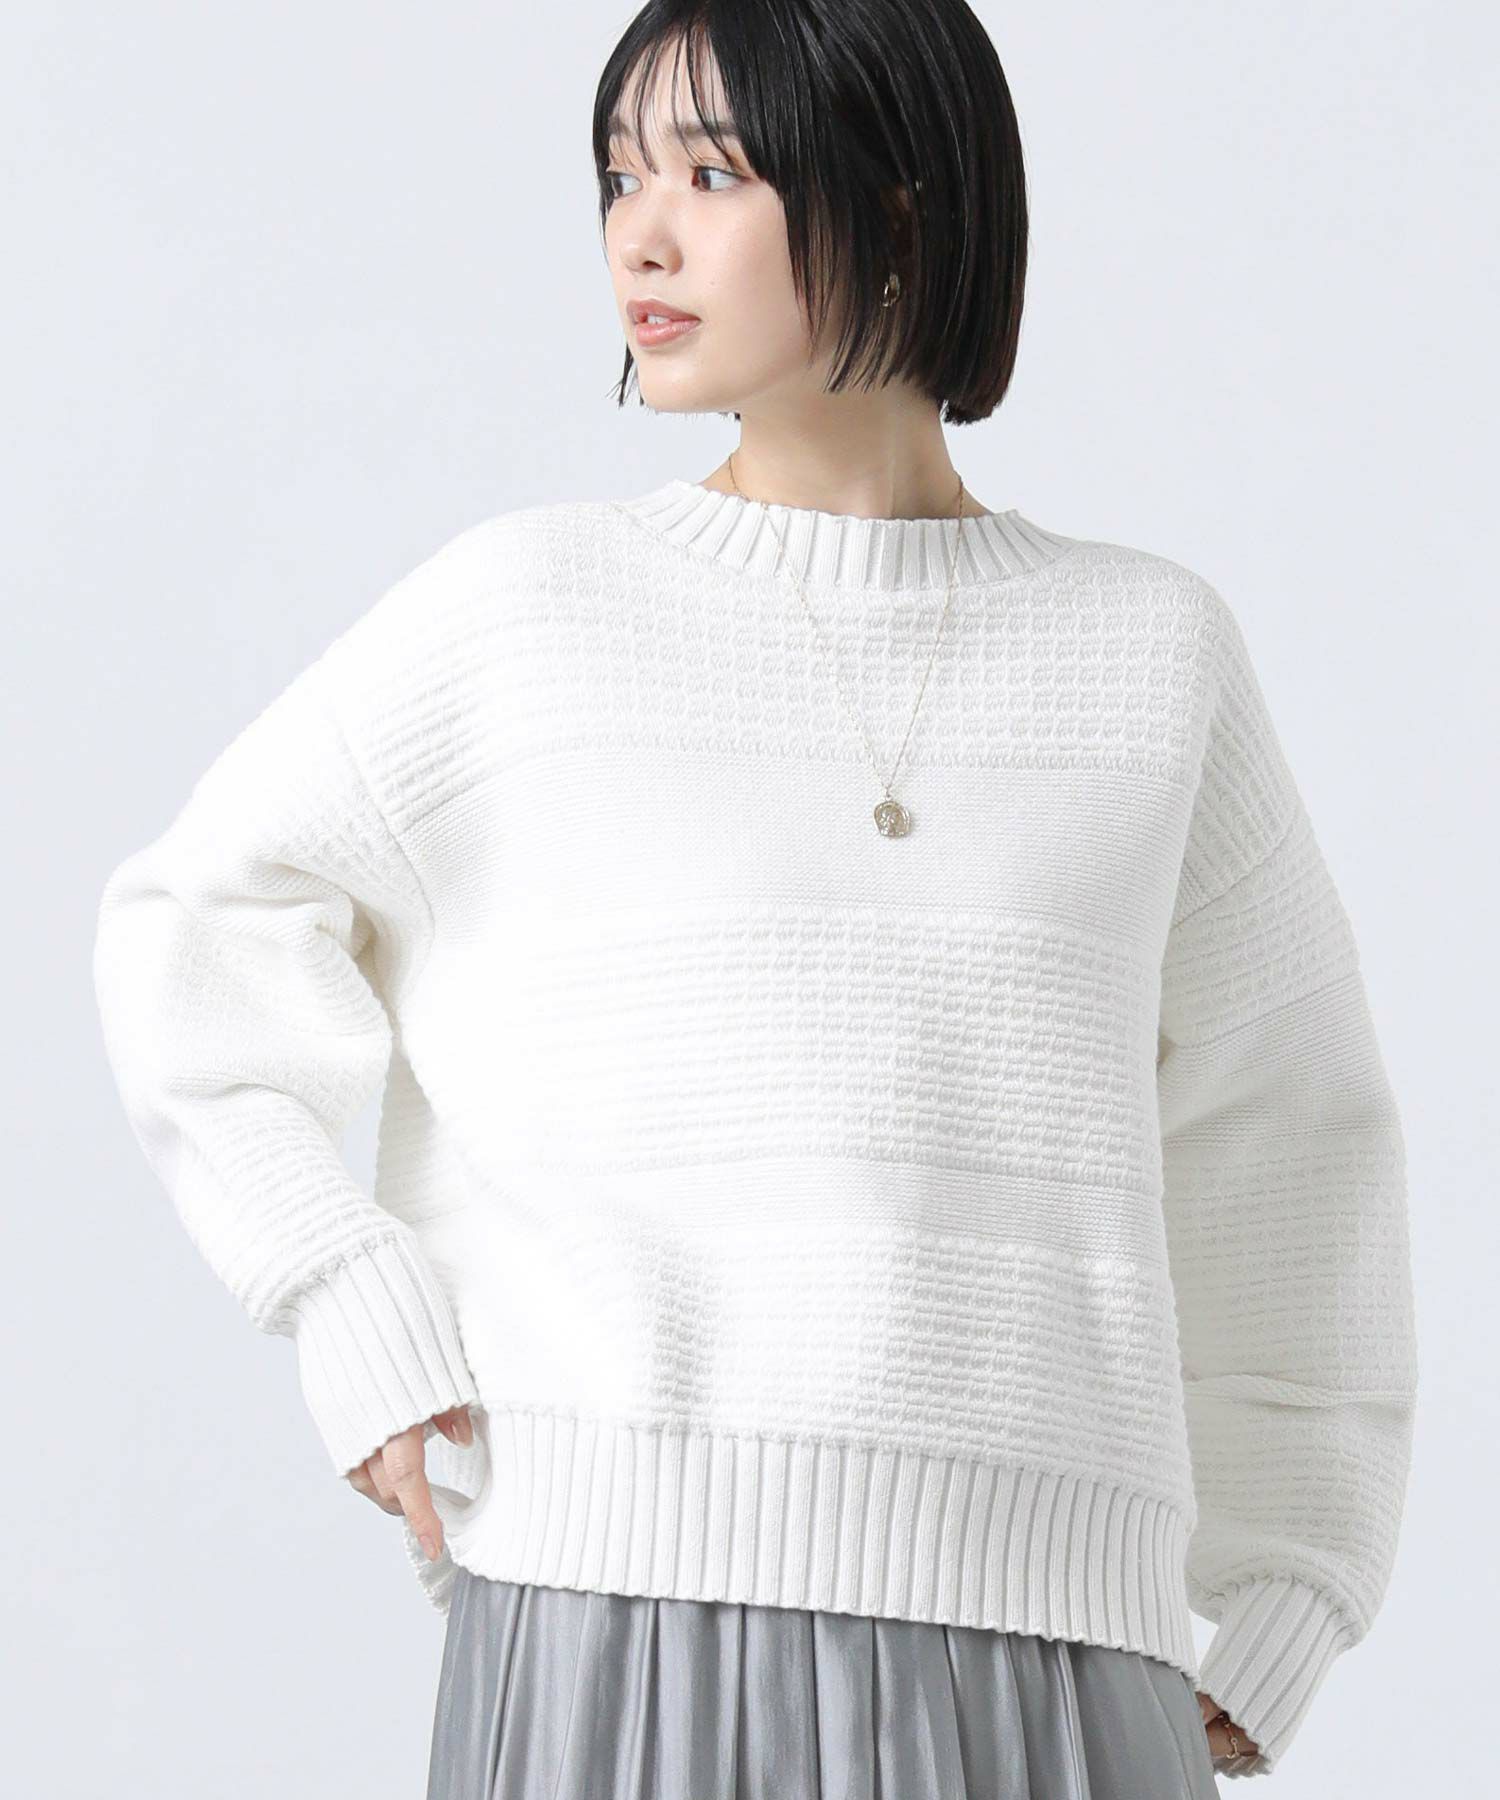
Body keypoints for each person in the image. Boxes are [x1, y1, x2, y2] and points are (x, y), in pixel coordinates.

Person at [91, 1, 1418, 1793]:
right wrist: (343, 1290)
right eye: (619, 176)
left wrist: (1290, 1581)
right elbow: (195, 923)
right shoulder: (528, 613)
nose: (641, 235)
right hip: (615, 1626)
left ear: (902, 193)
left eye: (713, 175)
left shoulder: (1150, 656)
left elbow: (1296, 1133)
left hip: (1056, 1656)